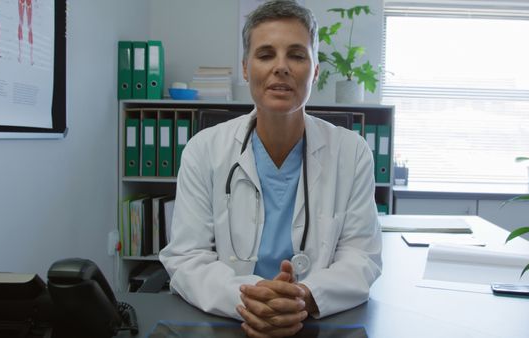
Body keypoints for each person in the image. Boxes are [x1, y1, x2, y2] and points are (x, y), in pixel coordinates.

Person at [159, 1, 382, 337]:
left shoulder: (352, 153)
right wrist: (251, 299)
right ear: (246, 68)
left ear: (315, 69)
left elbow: (361, 257)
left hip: (315, 321)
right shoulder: (203, 150)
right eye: (265, 55)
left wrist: (304, 296)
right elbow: (188, 258)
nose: (281, 67)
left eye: (296, 54)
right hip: (229, 319)